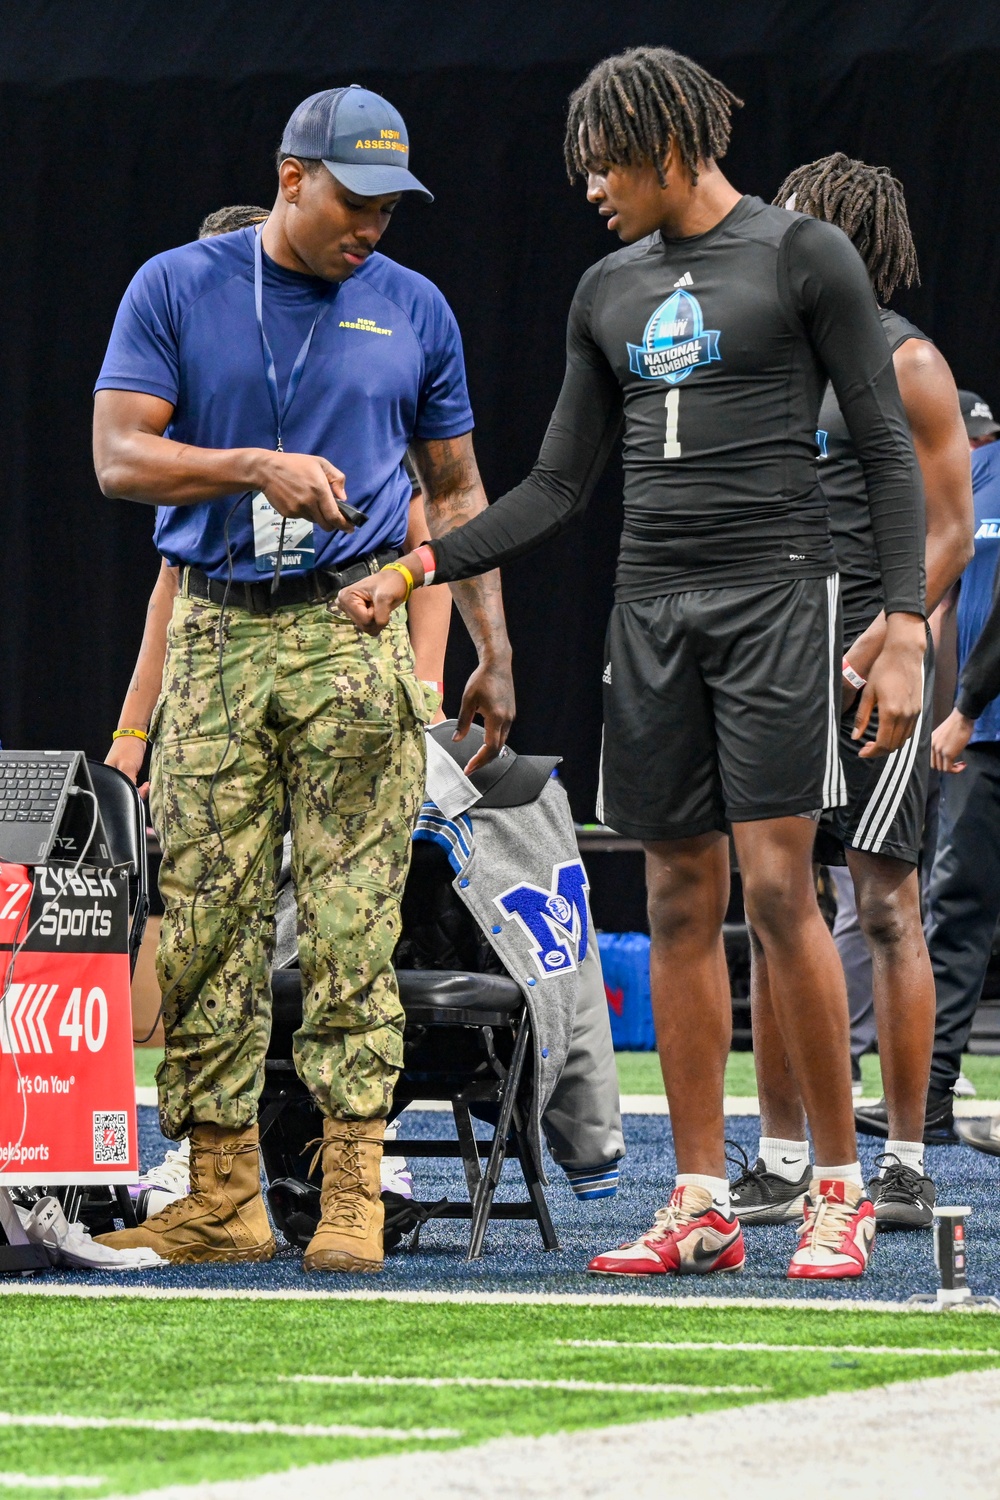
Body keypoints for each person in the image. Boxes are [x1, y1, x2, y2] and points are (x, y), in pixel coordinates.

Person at [338, 47, 928, 1280]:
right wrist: (416, 570)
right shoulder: (606, 288)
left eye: (605, 164)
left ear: (669, 148)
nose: (592, 187)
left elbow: (882, 450)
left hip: (778, 598)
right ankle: (701, 1198)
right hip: (648, 613)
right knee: (671, 898)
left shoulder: (800, 254)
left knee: (776, 893)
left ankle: (837, 1188)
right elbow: (557, 483)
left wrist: (905, 632)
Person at [91, 86, 514, 1274]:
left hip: (351, 639)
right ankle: (222, 1193)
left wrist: (493, 645)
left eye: (388, 207)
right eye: (352, 201)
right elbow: (118, 457)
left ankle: (351, 1195)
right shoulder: (175, 286)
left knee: (348, 925)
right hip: (218, 635)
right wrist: (250, 468)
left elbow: (461, 492)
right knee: (209, 926)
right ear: (291, 178)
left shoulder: (414, 308)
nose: (370, 226)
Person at [730, 156, 972, 1232]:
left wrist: (892, 629)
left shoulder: (904, 358)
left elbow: (951, 524)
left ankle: (907, 1158)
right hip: (774, 656)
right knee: (778, 899)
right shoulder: (760, 360)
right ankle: (782, 1156)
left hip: (880, 656)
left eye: (790, 223)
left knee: (883, 903)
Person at [886, 405, 1000, 1150]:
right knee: (954, 912)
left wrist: (961, 706)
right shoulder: (966, 487)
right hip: (984, 734)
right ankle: (927, 1109)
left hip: (977, 717)